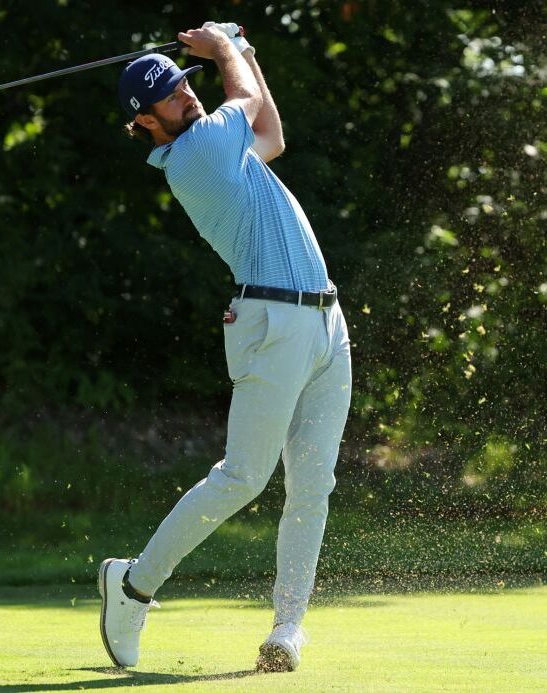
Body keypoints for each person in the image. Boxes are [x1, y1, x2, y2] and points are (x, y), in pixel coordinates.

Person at [98, 21, 352, 673]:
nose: (186, 94)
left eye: (185, 82)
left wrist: (248, 54)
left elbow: (272, 134)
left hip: (326, 323)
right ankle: (132, 585)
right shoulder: (196, 152)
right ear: (147, 122)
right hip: (271, 322)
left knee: (313, 484)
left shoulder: (225, 146)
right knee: (244, 475)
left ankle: (288, 627)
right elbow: (242, 106)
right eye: (171, 95)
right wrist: (225, 49)